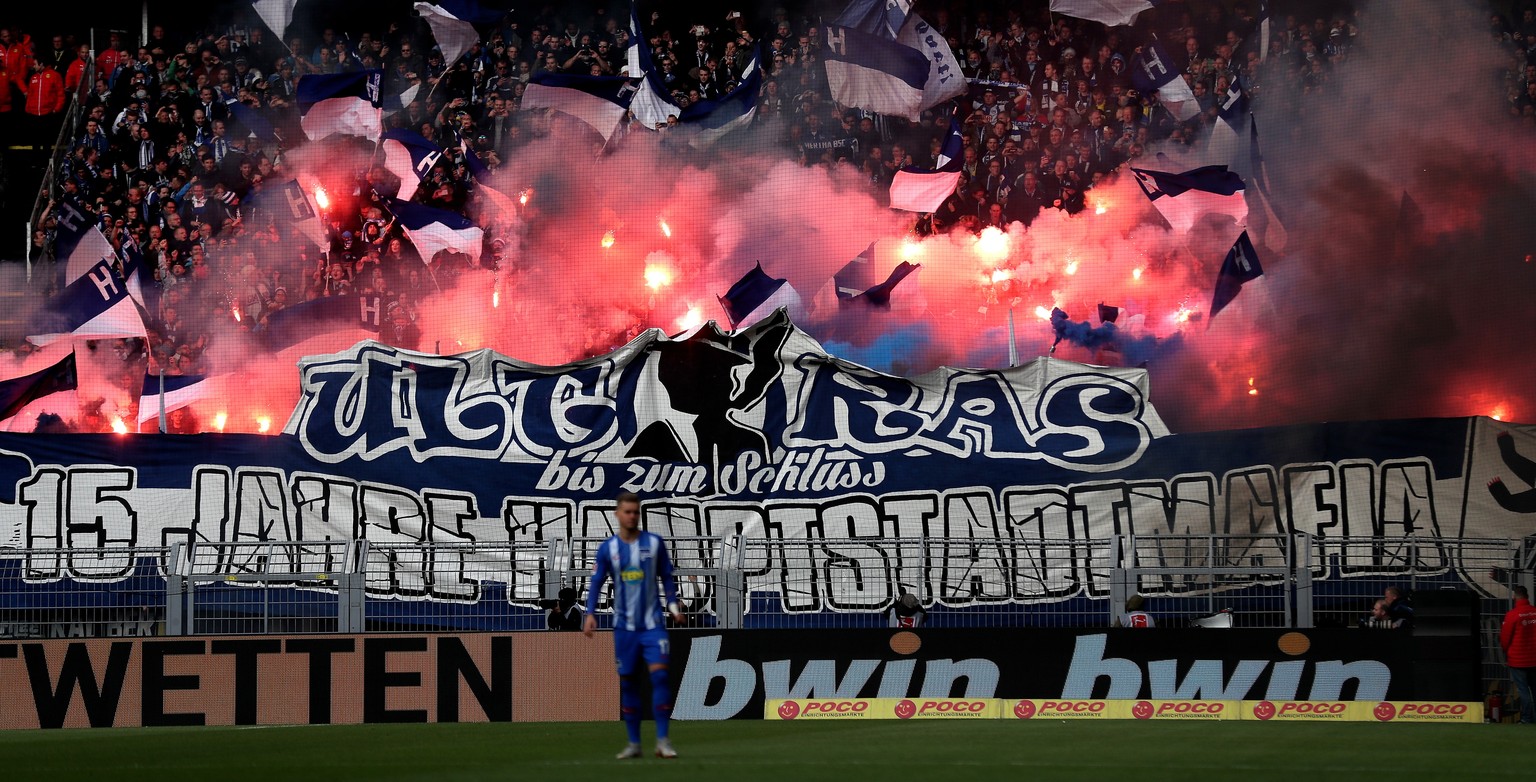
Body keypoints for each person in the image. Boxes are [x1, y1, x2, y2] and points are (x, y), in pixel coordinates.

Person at [583, 492, 683, 759]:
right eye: (627, 512)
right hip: (624, 629)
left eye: (636, 512)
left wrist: (672, 605)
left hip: (653, 626)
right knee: (628, 683)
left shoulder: (654, 543)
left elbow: (667, 576)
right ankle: (634, 744)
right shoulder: (608, 549)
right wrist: (590, 612)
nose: (632, 516)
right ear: (617, 514)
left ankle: (663, 741)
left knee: (660, 676)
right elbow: (596, 582)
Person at [1501, 585, 1536, 724]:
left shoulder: (1512, 615)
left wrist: (1506, 653)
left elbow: (1504, 639)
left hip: (1518, 660)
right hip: (1534, 659)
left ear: (1515, 597)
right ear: (1527, 597)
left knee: (1523, 690)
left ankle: (1527, 719)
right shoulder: (1534, 612)